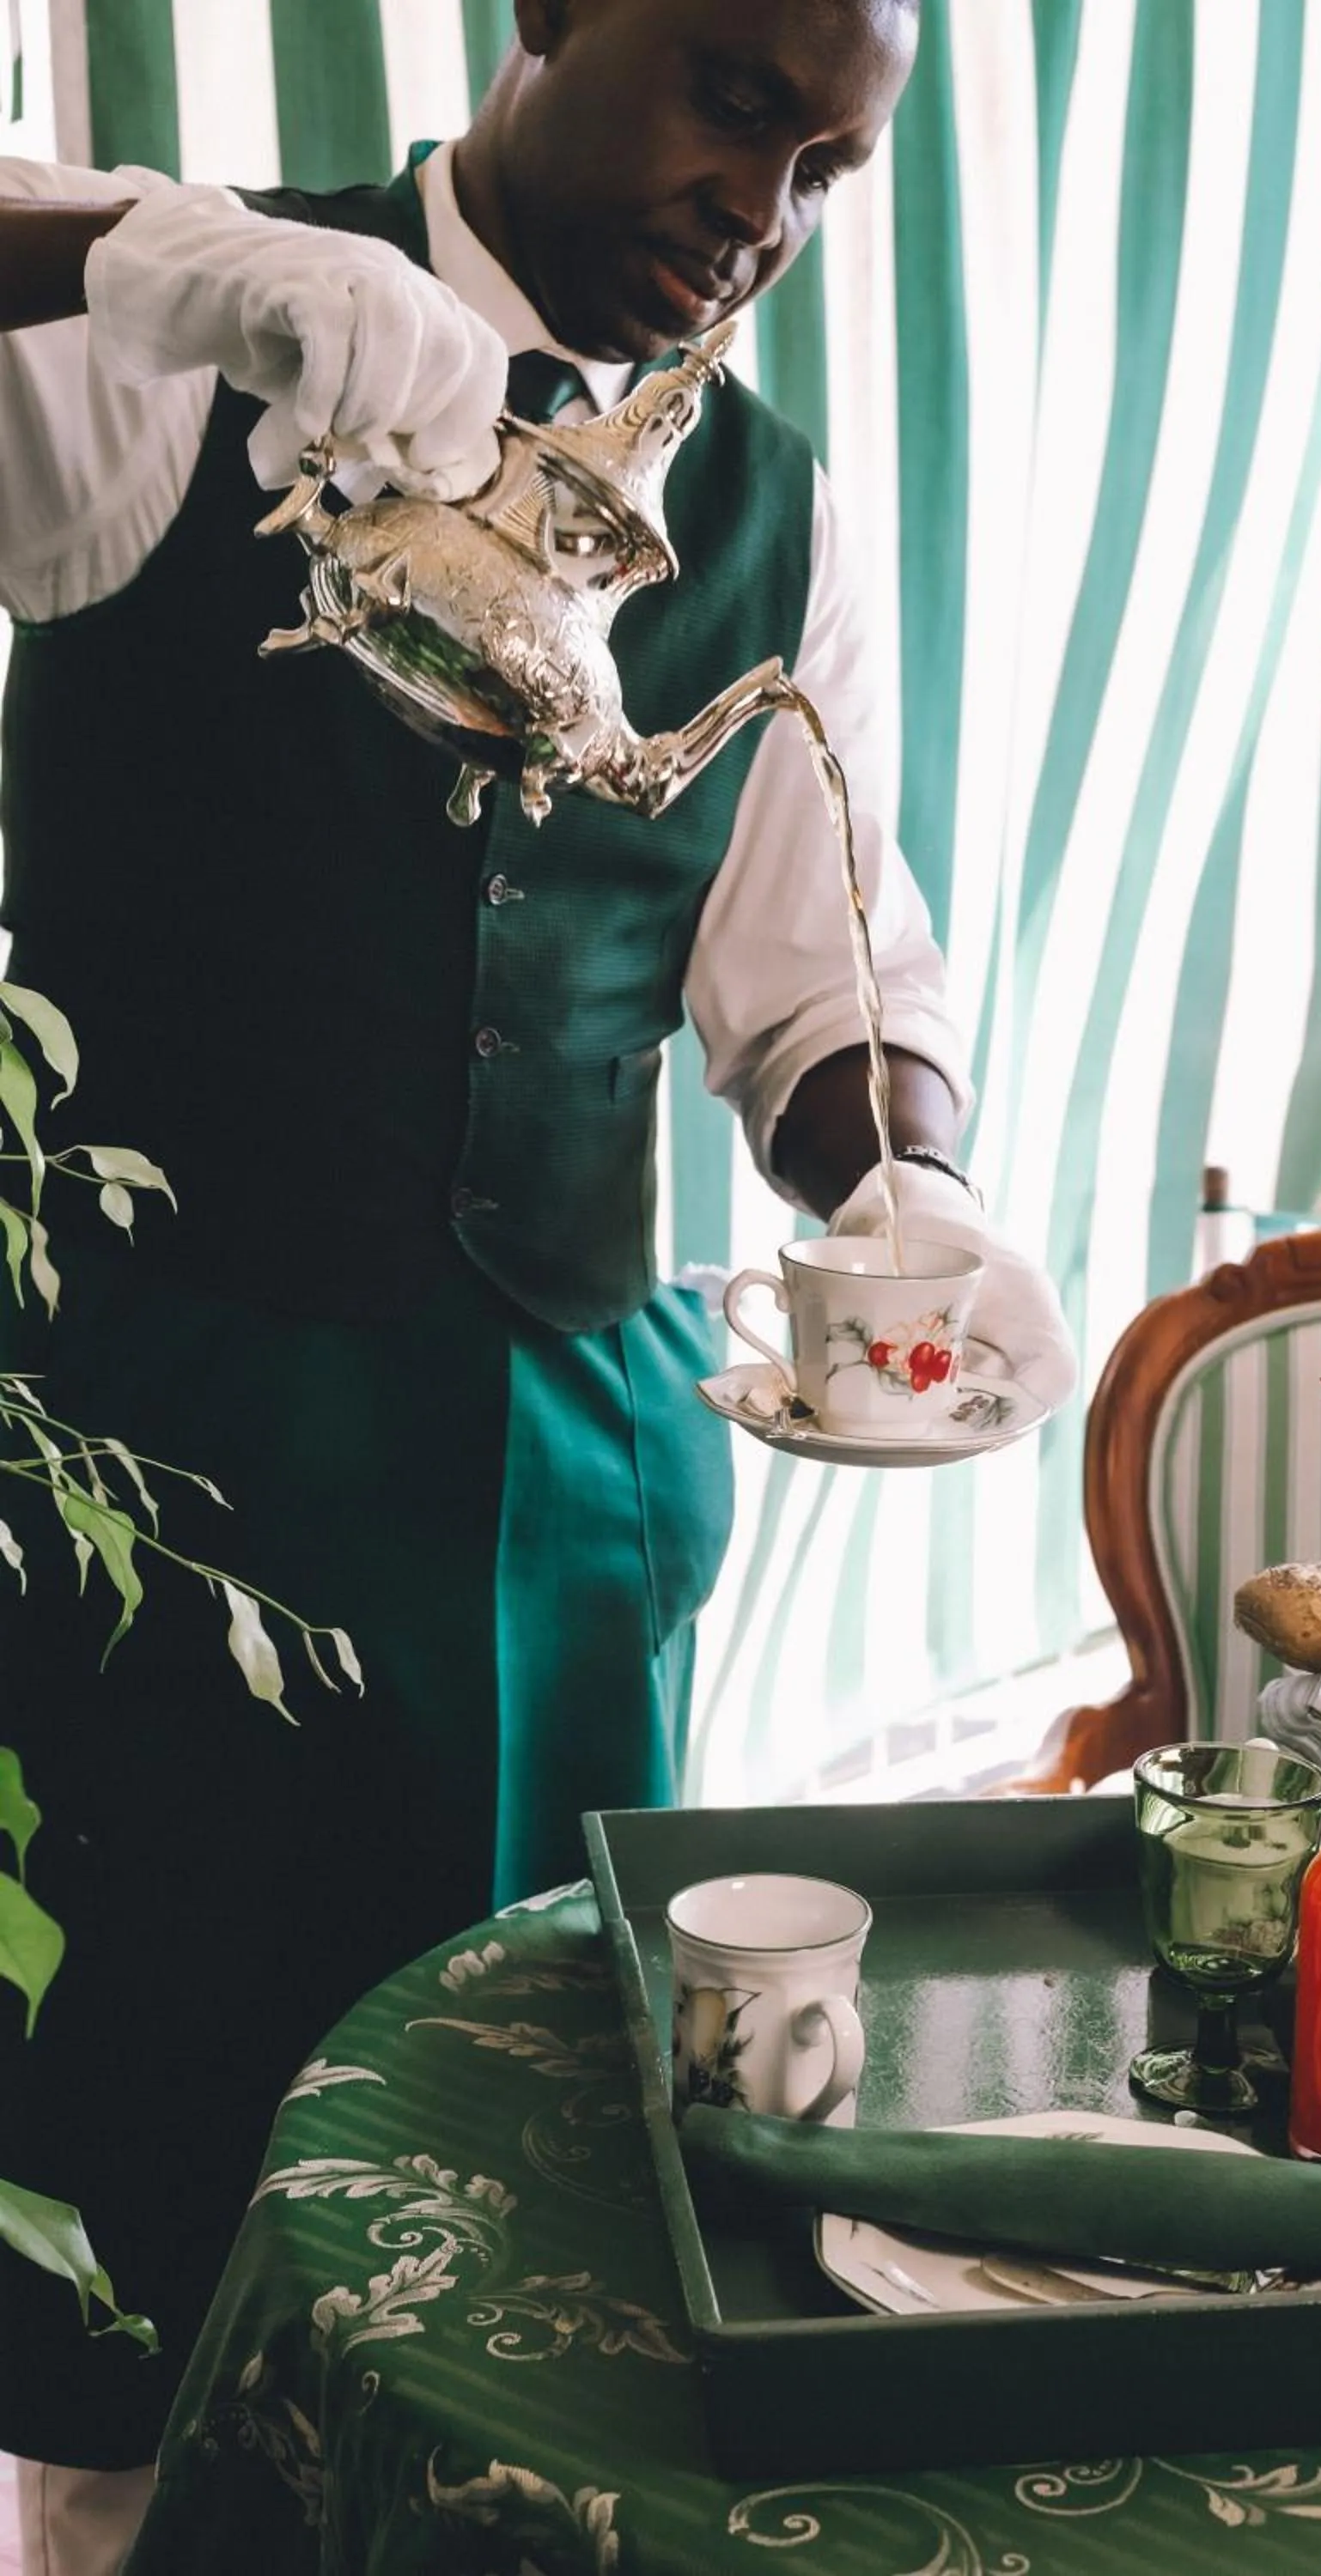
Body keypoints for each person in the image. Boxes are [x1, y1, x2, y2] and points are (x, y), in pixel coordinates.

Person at [0, 2, 1075, 2567]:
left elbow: (817, 965)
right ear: (549, 20)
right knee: (143, 2168)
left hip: (567, 1472)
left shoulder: (768, 500)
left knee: (533, 2173)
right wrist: (155, 247)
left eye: (823, 168)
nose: (765, 214)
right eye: (730, 97)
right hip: (171, 1437)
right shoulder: (187, 327)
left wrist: (900, 1190)